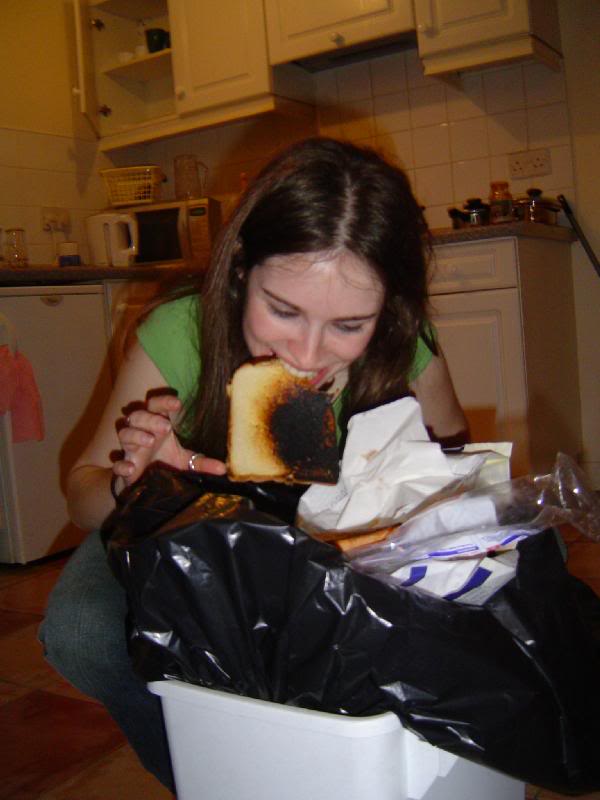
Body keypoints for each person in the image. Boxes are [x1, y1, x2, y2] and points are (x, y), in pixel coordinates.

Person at [40, 137, 468, 791]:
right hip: (181, 532)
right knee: (83, 632)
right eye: (282, 310)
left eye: (349, 325)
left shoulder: (404, 349)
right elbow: (81, 493)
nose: (306, 354)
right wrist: (135, 484)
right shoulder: (182, 333)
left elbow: (454, 471)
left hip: (327, 545)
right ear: (241, 269)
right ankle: (207, 777)